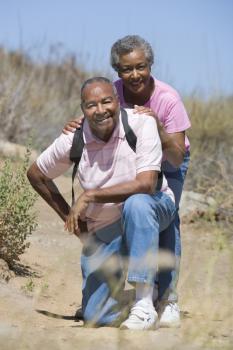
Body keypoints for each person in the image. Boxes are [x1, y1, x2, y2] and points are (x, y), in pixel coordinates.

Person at [27, 77, 176, 330]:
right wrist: (72, 220)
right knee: (95, 315)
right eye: (91, 105)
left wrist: (89, 196)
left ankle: (143, 303)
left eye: (106, 101)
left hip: (152, 209)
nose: (100, 110)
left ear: (118, 101)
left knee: (136, 204)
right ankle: (134, 300)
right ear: (82, 109)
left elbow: (147, 184)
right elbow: (36, 174)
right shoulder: (74, 138)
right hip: (106, 226)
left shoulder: (142, 123)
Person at [63, 35, 191, 327]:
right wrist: (77, 124)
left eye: (140, 67)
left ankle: (167, 299)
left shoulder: (168, 99)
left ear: (150, 65)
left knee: (166, 219)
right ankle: (125, 295)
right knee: (132, 210)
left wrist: (157, 127)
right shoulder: (115, 91)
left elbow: (174, 156)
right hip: (134, 156)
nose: (134, 75)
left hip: (168, 159)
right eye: (126, 69)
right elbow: (98, 111)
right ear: (117, 71)